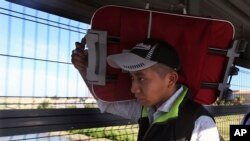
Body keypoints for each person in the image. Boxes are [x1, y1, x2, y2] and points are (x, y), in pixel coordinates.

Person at [71, 38, 221, 141]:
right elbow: (107, 103)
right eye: (131, 78)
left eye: (141, 78)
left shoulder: (200, 123)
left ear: (171, 79)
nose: (133, 88)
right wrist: (83, 69)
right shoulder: (146, 110)